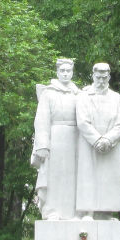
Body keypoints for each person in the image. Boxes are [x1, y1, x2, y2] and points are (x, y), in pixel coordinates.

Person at [31, 58, 81, 220]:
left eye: (68, 71)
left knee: (73, 176)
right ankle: (51, 211)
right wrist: (42, 144)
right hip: (56, 137)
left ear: (72, 73)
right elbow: (41, 120)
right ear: (57, 72)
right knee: (54, 175)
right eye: (62, 71)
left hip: (75, 138)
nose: (65, 74)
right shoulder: (48, 93)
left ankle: (74, 212)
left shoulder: (78, 94)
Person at [76, 62, 120, 219]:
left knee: (108, 178)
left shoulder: (117, 99)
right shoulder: (83, 96)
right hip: (89, 143)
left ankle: (106, 211)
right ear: (93, 76)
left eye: (104, 77)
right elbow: (82, 121)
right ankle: (88, 211)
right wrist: (97, 140)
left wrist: (108, 140)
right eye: (98, 77)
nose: (101, 81)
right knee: (88, 176)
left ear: (109, 77)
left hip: (110, 145)